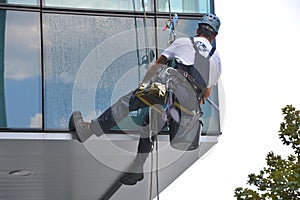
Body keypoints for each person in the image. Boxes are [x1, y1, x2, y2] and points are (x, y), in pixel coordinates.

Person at [70, 13, 221, 185]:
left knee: (129, 101)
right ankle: (137, 168)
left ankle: (89, 129)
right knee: (150, 123)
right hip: (186, 106)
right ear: (214, 36)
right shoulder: (216, 59)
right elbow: (206, 93)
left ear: (198, 29)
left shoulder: (183, 42)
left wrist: (144, 84)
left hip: (167, 90)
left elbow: (157, 66)